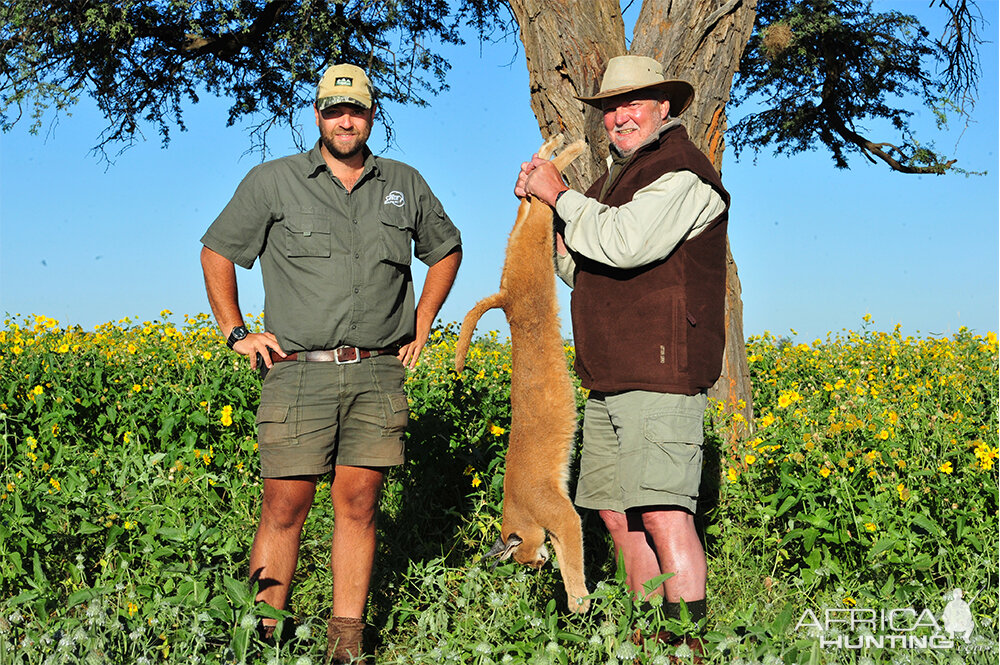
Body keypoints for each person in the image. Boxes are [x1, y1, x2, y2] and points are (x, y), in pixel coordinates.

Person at [200, 63, 461, 664]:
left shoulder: (404, 183)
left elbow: (446, 248)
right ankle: (260, 637)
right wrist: (236, 331)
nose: (345, 120)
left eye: (357, 110)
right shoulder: (274, 182)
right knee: (285, 506)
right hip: (298, 371)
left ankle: (347, 644)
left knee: (359, 504)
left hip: (376, 372)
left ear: (373, 114)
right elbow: (217, 251)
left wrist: (422, 325)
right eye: (333, 110)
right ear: (316, 114)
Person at [515, 55, 729, 648]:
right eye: (611, 107)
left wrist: (559, 193)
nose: (619, 115)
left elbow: (625, 242)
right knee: (615, 515)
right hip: (611, 374)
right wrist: (541, 211)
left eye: (633, 103)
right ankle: (644, 644)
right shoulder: (613, 178)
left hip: (662, 370)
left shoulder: (682, 172)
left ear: (666, 108)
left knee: (663, 513)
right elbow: (583, 267)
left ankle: (684, 649)